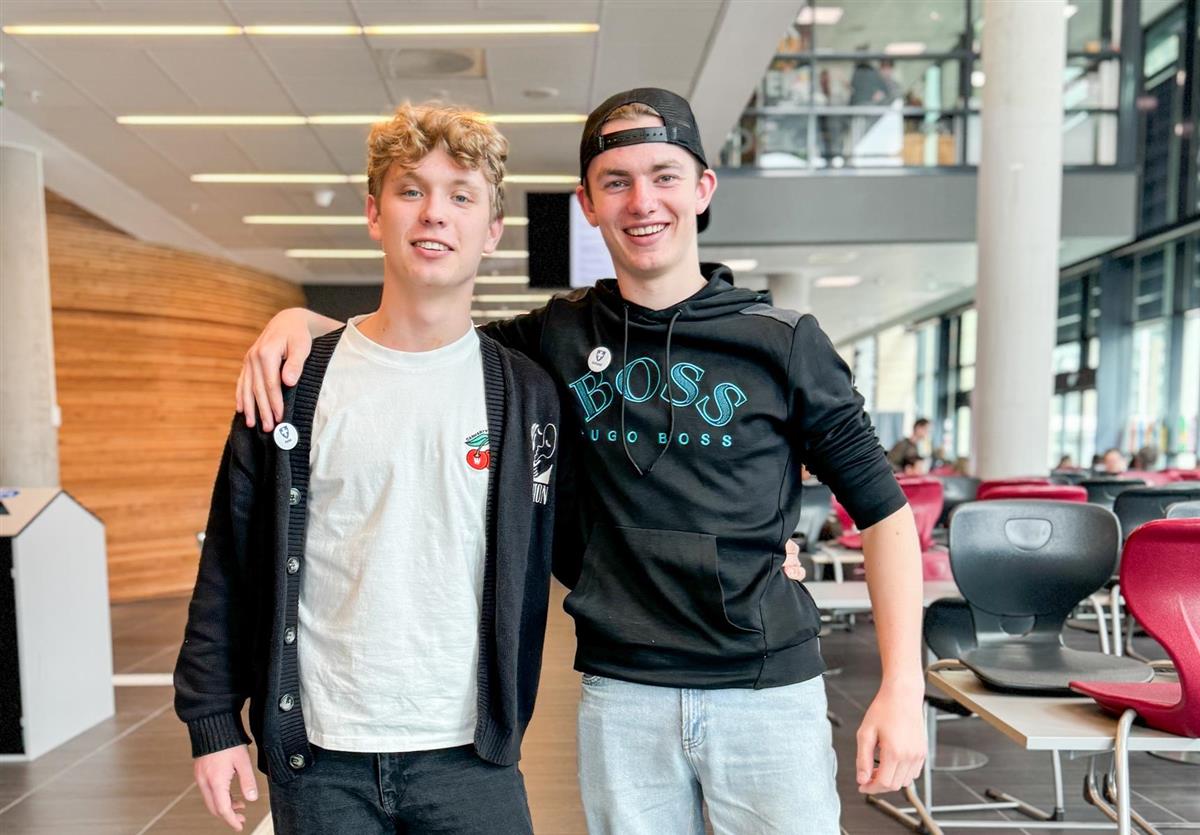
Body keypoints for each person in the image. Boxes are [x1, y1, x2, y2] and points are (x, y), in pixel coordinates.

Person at [236, 88, 926, 834]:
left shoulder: (782, 340)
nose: (643, 202)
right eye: (616, 182)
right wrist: (301, 320)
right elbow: (422, 336)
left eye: (664, 176)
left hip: (766, 691)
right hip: (622, 694)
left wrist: (901, 686)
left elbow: (884, 512)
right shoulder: (555, 337)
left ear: (702, 188)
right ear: (588, 204)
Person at [174, 103, 562, 835]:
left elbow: (576, 537)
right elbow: (230, 555)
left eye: (461, 195)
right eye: (411, 190)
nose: (434, 213)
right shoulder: (293, 382)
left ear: (492, 230)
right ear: (375, 214)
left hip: (471, 756)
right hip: (322, 756)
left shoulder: (526, 394)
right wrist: (212, 719)